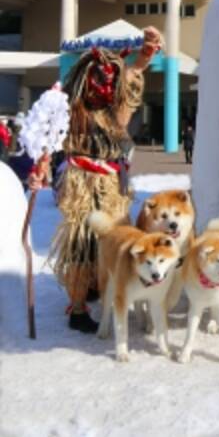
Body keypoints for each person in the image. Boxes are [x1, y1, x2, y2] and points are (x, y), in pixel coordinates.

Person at [29, 27, 162, 333]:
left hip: (111, 184)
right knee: (81, 242)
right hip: (81, 184)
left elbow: (130, 81)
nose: (102, 86)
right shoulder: (69, 110)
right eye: (97, 80)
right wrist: (40, 172)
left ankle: (101, 286)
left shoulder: (115, 111)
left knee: (112, 237)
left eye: (108, 80)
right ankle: (78, 306)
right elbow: (48, 144)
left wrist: (144, 55)